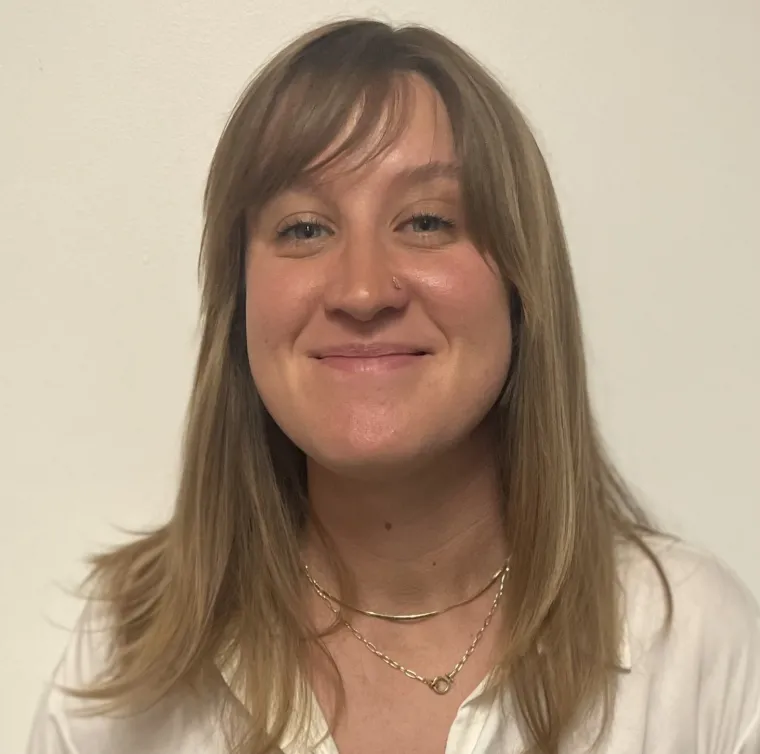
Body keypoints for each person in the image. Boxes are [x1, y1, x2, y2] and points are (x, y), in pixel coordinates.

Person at [26, 17, 759, 754]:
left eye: (426, 221)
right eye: (306, 229)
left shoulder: (691, 645)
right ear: (240, 301)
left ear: (520, 288)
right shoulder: (124, 650)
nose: (364, 289)